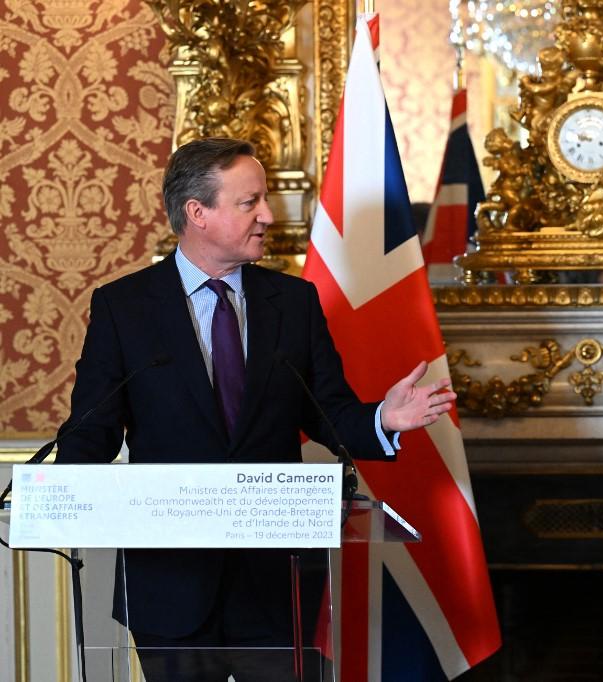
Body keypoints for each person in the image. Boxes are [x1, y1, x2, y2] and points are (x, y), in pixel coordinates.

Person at [55, 137, 456, 681]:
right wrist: (60, 497)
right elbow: (92, 431)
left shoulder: (293, 303)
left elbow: (328, 413)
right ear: (197, 212)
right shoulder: (124, 307)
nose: (268, 215)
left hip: (276, 585)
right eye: (250, 202)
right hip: (171, 585)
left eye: (264, 200)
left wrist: (382, 420)